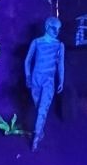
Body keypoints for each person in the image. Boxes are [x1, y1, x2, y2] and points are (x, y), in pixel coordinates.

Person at [24, 17, 65, 150]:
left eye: (59, 29)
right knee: (39, 107)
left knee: (43, 109)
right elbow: (27, 60)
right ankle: (40, 132)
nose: (57, 31)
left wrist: (61, 80)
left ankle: (36, 138)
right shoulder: (36, 42)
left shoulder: (59, 45)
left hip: (49, 81)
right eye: (54, 28)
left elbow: (61, 65)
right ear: (47, 27)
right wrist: (28, 77)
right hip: (35, 80)